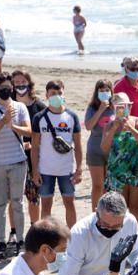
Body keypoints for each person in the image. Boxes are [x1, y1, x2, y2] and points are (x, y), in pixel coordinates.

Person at [0, 72, 31, 259]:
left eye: (8, 88)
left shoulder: (20, 107)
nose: (6, 91)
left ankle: (20, 240)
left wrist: (13, 126)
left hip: (18, 161)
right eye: (2, 88)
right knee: (0, 204)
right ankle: (1, 241)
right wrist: (2, 121)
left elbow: (28, 131)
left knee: (18, 203)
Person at [30, 80, 83, 227]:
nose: (56, 96)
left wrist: (79, 169)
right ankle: (46, 236)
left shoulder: (72, 117)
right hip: (45, 169)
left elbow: (78, 146)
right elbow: (35, 147)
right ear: (46, 94)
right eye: (53, 93)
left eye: (59, 93)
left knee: (69, 203)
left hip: (67, 169)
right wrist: (35, 171)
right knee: (46, 204)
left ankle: (73, 236)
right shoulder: (39, 117)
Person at [102, 93, 138, 225]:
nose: (122, 109)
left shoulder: (137, 121)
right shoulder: (109, 125)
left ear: (129, 106)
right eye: (119, 106)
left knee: (135, 207)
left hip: (136, 170)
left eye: (125, 106)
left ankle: (136, 238)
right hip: (117, 172)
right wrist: (113, 129)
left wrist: (131, 128)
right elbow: (104, 148)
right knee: (118, 208)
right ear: (113, 108)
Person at [11, 70, 44, 229]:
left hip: (34, 157)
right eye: (16, 82)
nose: (20, 85)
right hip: (12, 156)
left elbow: (46, 132)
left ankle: (34, 227)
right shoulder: (9, 104)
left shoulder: (39, 106)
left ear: (29, 83)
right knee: (14, 197)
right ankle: (14, 231)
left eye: (23, 81)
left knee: (33, 196)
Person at [83, 79, 114, 210]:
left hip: (111, 149)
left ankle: (107, 210)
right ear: (97, 92)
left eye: (107, 90)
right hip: (95, 150)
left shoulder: (115, 107)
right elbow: (88, 126)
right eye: (101, 90)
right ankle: (94, 211)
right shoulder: (92, 108)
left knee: (109, 185)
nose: (105, 93)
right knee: (97, 185)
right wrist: (100, 110)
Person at [114, 56, 138, 123]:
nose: (136, 71)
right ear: (126, 69)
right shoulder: (119, 87)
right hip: (127, 125)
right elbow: (116, 109)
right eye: (132, 69)